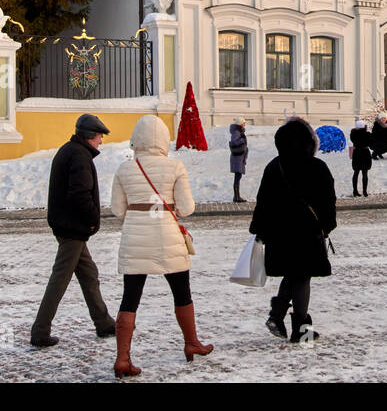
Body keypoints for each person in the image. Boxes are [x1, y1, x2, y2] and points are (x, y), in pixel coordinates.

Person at [108, 115, 212, 378]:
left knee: (129, 298)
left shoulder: (124, 169)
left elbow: (117, 210)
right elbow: (187, 209)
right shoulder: (175, 166)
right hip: (168, 238)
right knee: (182, 292)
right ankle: (191, 342)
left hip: (136, 239)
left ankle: (122, 358)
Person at [30, 114, 118, 348]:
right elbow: (80, 194)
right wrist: (92, 220)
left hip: (67, 225)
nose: (101, 141)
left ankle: (104, 322)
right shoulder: (79, 156)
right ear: (90, 135)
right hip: (73, 227)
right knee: (60, 278)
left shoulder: (70, 150)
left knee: (89, 274)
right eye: (99, 136)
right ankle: (40, 330)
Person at [250, 118, 337, 342]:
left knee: (293, 274)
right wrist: (327, 226)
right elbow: (328, 201)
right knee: (301, 278)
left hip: (279, 235)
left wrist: (260, 230)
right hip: (307, 234)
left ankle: (277, 315)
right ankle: (300, 329)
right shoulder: (317, 167)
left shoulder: (274, 166)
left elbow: (264, 201)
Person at [349, 119, 373, 197]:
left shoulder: (353, 134)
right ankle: (364, 191)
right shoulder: (367, 134)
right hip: (365, 153)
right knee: (365, 173)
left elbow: (353, 140)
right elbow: (370, 143)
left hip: (357, 153)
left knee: (356, 172)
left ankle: (354, 191)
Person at [228, 118, 249, 203]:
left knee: (238, 177)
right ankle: (236, 197)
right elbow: (234, 142)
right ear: (240, 123)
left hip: (239, 158)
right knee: (237, 177)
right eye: (244, 123)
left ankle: (237, 196)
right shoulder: (237, 132)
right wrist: (242, 140)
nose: (245, 124)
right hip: (237, 158)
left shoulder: (239, 131)